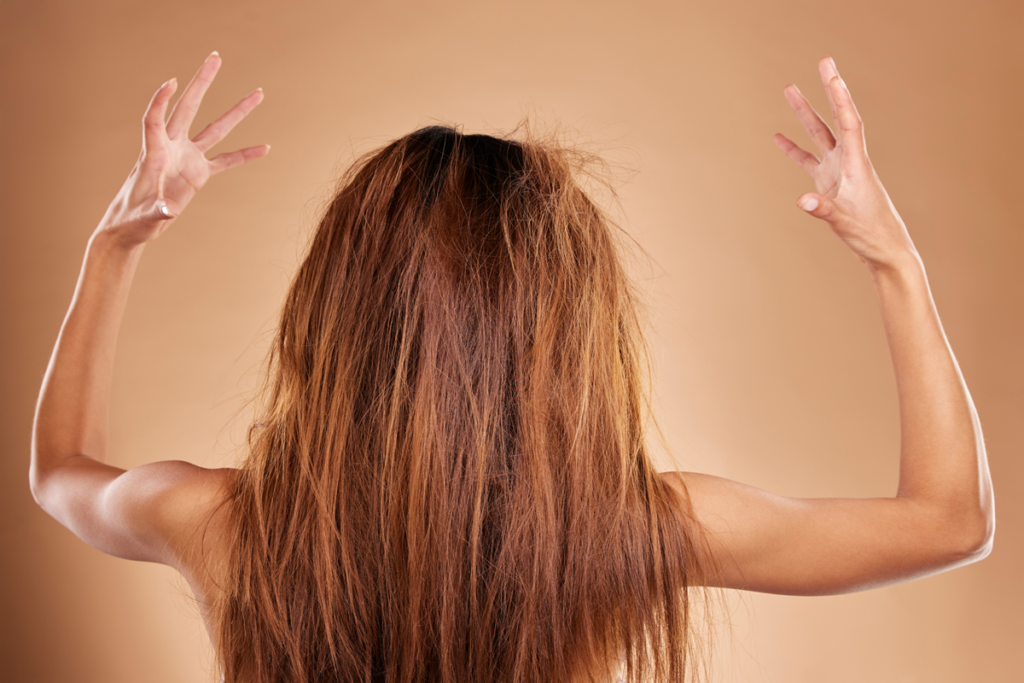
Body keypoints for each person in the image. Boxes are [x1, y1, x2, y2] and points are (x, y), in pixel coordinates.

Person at [29, 52, 994, 683]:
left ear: (334, 319)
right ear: (568, 337)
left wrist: (116, 247)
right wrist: (893, 260)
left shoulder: (228, 525)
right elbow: (950, 522)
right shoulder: (628, 535)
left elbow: (60, 470)